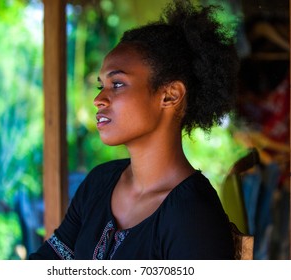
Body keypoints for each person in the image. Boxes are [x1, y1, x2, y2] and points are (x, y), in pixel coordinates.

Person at [30, 0, 238, 260]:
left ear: (170, 95)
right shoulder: (99, 182)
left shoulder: (194, 216)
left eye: (117, 84)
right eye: (101, 86)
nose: (99, 99)